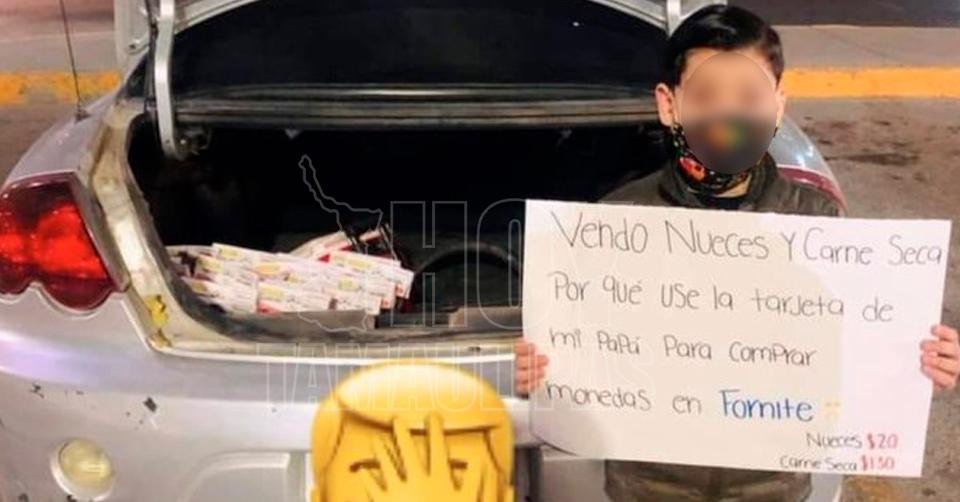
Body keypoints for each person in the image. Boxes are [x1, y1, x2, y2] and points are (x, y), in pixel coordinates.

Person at [514, 5, 960, 502]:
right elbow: (581, 354)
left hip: (773, 486)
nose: (728, 117)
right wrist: (545, 372)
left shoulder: (817, 223)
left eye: (749, 97)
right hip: (649, 487)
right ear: (669, 105)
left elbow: (856, 346)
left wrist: (915, 361)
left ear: (778, 106)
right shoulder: (616, 221)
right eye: (706, 97)